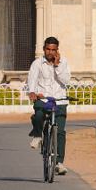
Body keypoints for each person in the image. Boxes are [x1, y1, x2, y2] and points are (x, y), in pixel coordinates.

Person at [27, 36, 72, 176]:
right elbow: (32, 79)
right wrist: (32, 92)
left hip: (60, 100)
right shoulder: (37, 63)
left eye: (53, 50)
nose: (50, 52)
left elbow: (66, 80)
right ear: (43, 49)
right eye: (48, 49)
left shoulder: (63, 62)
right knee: (39, 114)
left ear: (57, 50)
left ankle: (59, 163)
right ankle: (37, 136)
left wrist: (57, 66)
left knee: (60, 131)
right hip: (44, 97)